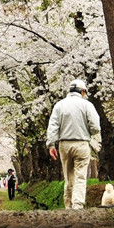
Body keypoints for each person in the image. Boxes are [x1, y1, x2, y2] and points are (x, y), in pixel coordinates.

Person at [46, 78, 101, 209]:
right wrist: (87, 130)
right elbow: (96, 127)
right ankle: (77, 205)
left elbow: (53, 126)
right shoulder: (87, 105)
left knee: (68, 176)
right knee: (80, 176)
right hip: (82, 144)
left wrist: (51, 145)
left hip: (64, 145)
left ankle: (68, 205)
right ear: (82, 91)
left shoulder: (59, 105)